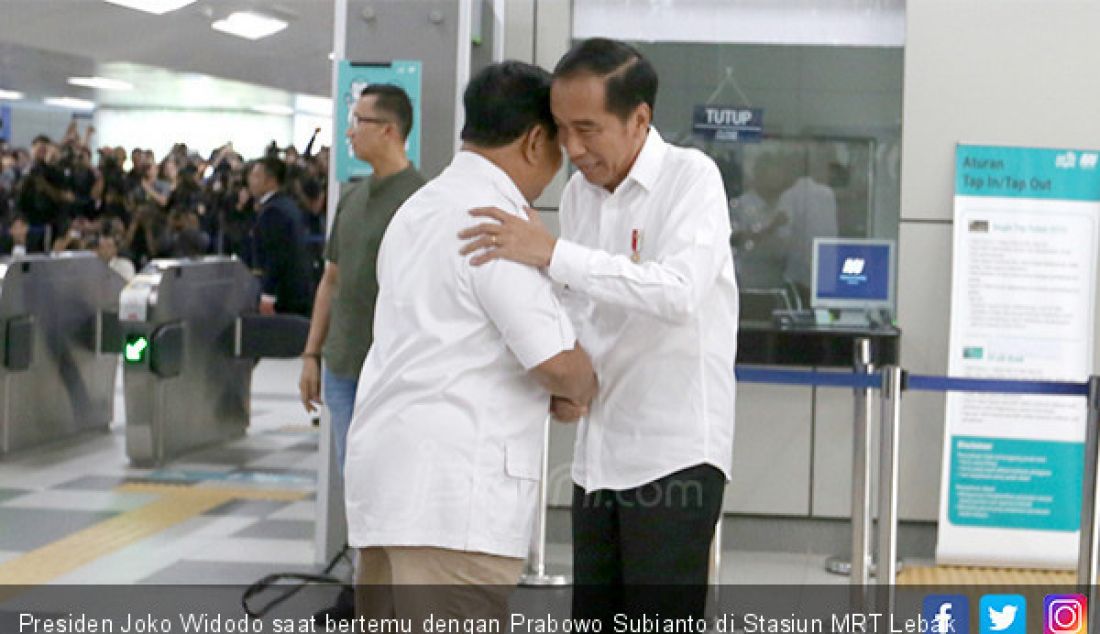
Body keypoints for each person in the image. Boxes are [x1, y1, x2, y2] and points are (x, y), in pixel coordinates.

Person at [458, 38, 738, 620]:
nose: (573, 149)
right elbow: (582, 303)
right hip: (597, 455)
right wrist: (564, 378)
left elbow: (678, 292)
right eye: (561, 130)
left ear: (640, 119)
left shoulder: (692, 179)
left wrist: (553, 253)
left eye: (588, 129)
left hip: (674, 454)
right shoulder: (582, 194)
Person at [344, 61, 597, 621]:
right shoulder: (495, 221)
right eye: (560, 144)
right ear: (535, 141)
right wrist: (582, 384)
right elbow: (558, 362)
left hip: (386, 487)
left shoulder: (418, 208)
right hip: (452, 506)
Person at [298, 84, 425, 623]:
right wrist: (312, 353)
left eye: (358, 121)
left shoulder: (421, 200)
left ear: (389, 130)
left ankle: (387, 594)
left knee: (390, 487)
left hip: (392, 375)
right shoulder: (350, 195)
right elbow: (331, 279)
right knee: (357, 484)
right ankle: (361, 589)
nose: (349, 132)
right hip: (343, 366)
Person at [245, 157, 313, 316]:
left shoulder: (273, 211)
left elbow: (275, 256)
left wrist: (268, 295)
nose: (251, 181)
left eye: (256, 176)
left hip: (284, 296)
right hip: (297, 291)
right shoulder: (287, 204)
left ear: (271, 180)